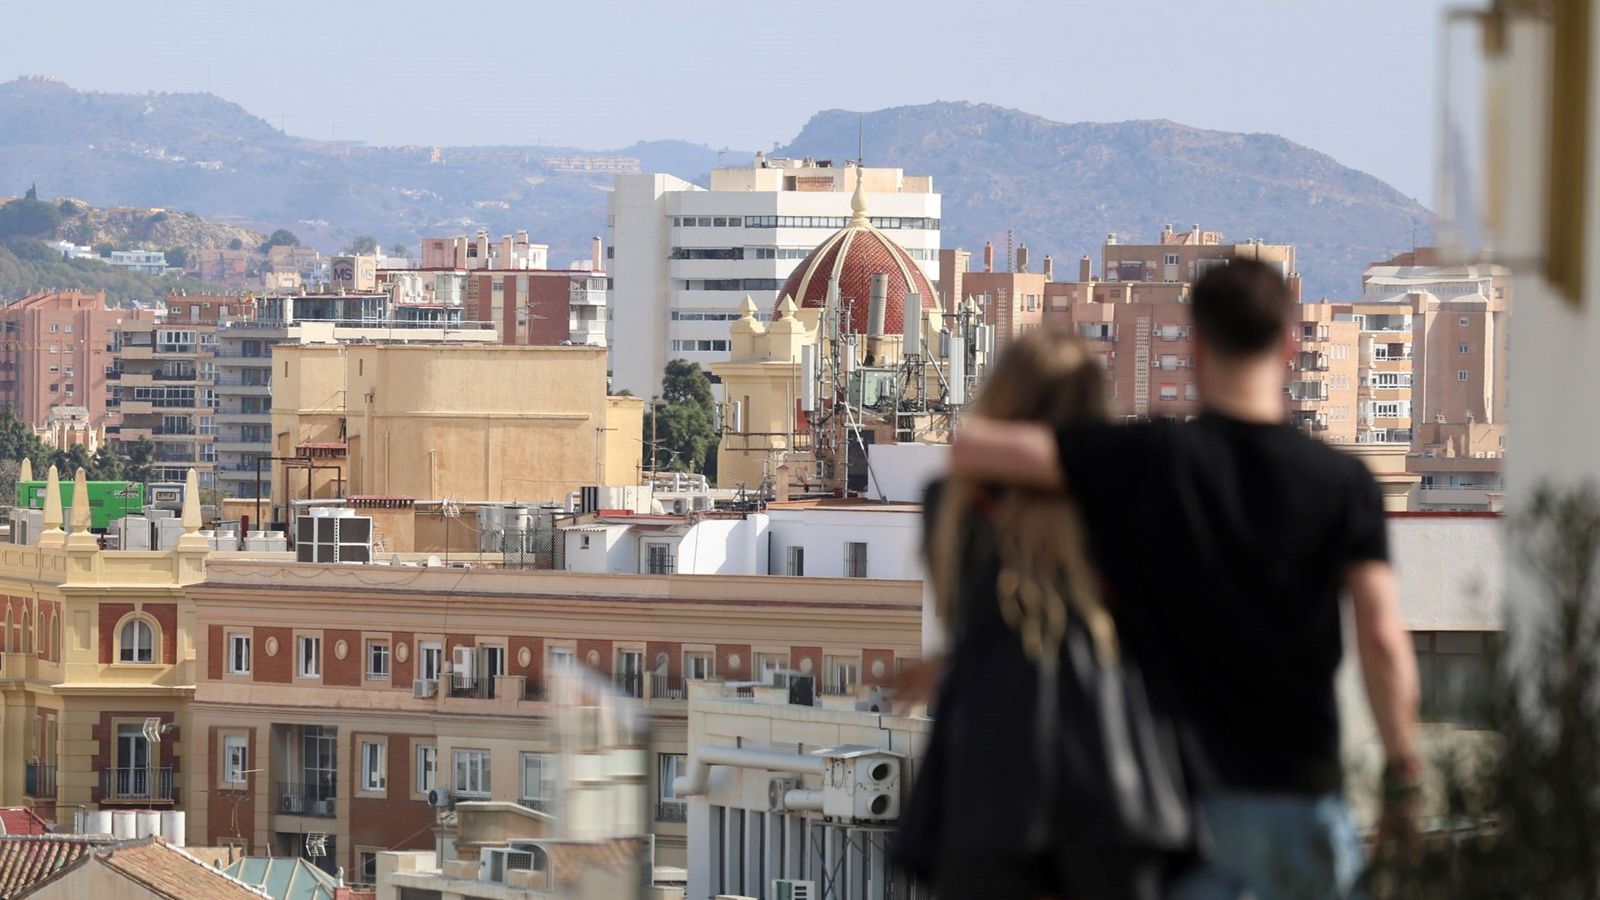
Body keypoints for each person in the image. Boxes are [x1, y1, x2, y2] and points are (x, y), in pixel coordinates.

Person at [949, 260, 1421, 900]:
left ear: (1194, 344)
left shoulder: (1148, 462)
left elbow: (975, 446)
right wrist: (1403, 773)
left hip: (1181, 816)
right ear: (1289, 343)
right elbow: (1383, 639)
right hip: (1302, 806)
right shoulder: (1345, 483)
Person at [894, 332, 1195, 900]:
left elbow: (963, 611)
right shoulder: (1126, 505)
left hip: (986, 783)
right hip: (1114, 777)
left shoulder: (950, 506)